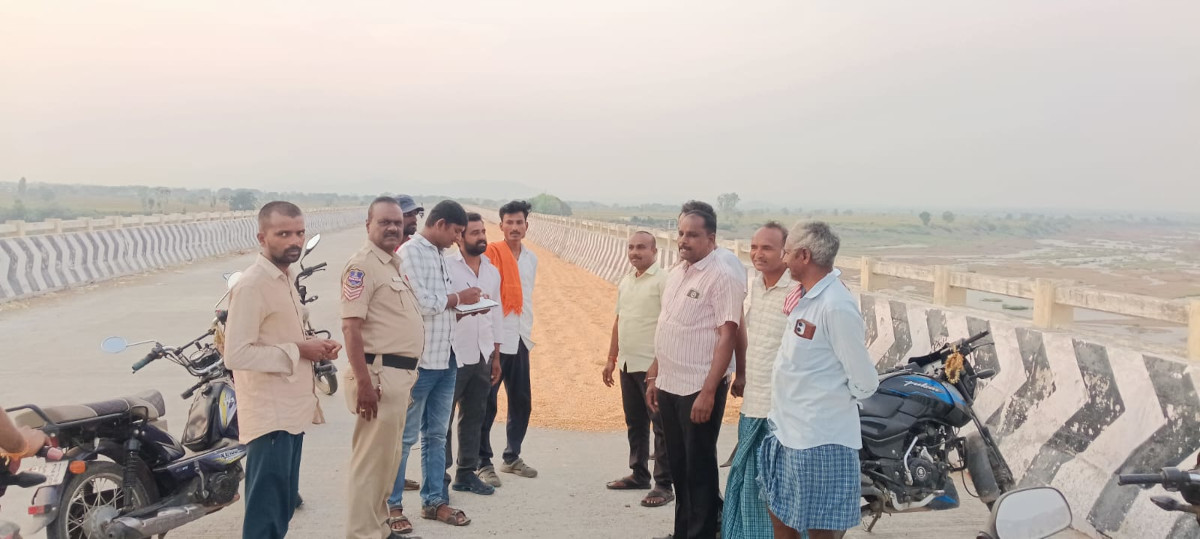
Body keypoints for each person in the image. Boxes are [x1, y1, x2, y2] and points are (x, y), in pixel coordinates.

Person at [224, 201, 341, 539]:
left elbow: (280, 335)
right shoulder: (252, 285)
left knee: (283, 507)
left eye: (299, 233)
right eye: (283, 234)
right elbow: (236, 354)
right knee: (266, 518)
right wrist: (299, 350)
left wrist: (314, 346)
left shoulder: (285, 277)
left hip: (291, 412)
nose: (294, 241)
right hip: (270, 417)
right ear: (262, 238)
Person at [760, 222, 878, 539]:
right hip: (787, 432)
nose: (783, 259)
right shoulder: (805, 298)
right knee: (779, 517)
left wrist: (828, 399)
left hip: (820, 441)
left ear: (804, 255)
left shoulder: (836, 306)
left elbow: (864, 380)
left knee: (821, 531)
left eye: (787, 252)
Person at [645, 210, 744, 539]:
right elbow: (669, 325)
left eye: (692, 235)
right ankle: (683, 532)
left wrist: (709, 391)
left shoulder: (721, 275)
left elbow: (728, 335)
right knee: (679, 468)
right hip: (669, 384)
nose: (683, 240)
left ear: (711, 239)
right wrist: (655, 374)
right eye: (681, 233)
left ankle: (702, 533)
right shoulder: (677, 272)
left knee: (699, 469)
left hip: (698, 387)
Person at [388, 200, 478, 532]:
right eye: (456, 231)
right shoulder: (411, 253)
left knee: (437, 435)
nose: (458, 239)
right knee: (405, 438)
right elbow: (421, 303)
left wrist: (465, 307)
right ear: (440, 224)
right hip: (421, 361)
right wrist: (459, 300)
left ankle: (434, 501)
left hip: (446, 357)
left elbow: (441, 304)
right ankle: (392, 506)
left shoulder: (439, 254)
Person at [340, 196, 425, 539]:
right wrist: (364, 383)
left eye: (397, 222)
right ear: (368, 225)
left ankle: (379, 528)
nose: (393, 228)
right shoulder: (362, 266)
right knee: (371, 465)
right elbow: (351, 328)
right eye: (384, 222)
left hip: (397, 377)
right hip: (377, 378)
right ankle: (362, 533)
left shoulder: (391, 264)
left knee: (387, 463)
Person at [723, 222, 795, 538]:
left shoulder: (798, 291)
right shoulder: (756, 285)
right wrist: (742, 374)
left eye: (767, 248)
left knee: (778, 487)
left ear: (785, 252)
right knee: (746, 478)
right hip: (754, 402)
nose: (757, 254)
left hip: (783, 409)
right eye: (754, 247)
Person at [602, 231, 673, 508]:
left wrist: (659, 363)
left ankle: (663, 484)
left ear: (654, 251)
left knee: (661, 426)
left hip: (652, 366)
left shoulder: (663, 281)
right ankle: (639, 474)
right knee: (635, 421)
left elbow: (669, 324)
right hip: (628, 363)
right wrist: (611, 358)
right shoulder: (626, 280)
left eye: (641, 247)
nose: (635, 252)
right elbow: (619, 320)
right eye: (631, 247)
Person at [479, 200, 539, 485]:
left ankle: (512, 456)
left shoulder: (531, 259)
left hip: (520, 337)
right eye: (509, 222)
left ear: (527, 226)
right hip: (494, 340)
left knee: (521, 401)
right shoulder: (489, 256)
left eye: (519, 222)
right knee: (486, 403)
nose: (515, 227)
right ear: (501, 225)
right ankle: (482, 461)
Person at [445, 213, 504, 496]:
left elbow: (497, 315)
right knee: (443, 419)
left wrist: (496, 356)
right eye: (475, 233)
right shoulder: (447, 267)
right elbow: (439, 308)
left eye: (483, 232)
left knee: (474, 415)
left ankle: (466, 473)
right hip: (453, 353)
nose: (482, 237)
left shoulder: (491, 271)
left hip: (482, 354)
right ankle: (439, 476)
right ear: (459, 237)